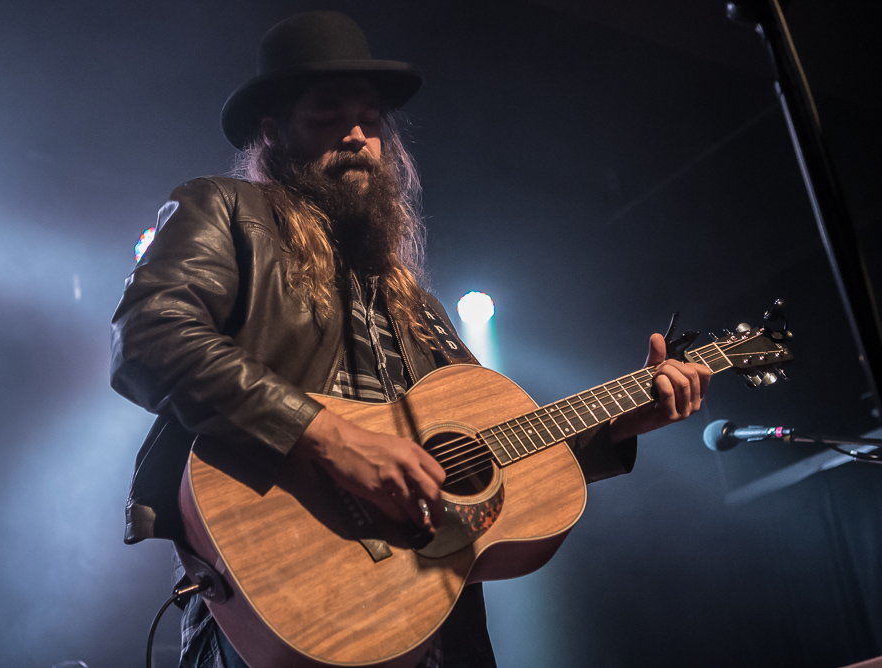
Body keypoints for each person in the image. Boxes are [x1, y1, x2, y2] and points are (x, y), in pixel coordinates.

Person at [110, 11, 712, 668]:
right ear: (273, 132)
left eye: (371, 118)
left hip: (430, 625)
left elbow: (497, 445)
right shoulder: (222, 210)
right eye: (328, 114)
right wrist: (334, 440)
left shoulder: (412, 300)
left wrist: (624, 423)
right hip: (281, 595)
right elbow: (150, 334)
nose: (357, 134)